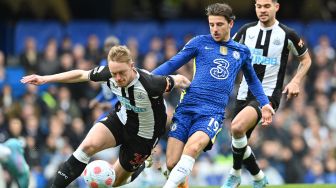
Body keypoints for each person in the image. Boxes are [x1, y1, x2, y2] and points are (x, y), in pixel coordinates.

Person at [21, 45, 191, 188]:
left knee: (114, 182)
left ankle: (144, 163)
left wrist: (197, 95)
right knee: (86, 147)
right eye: (113, 73)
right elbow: (81, 74)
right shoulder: (108, 74)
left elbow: (180, 80)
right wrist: (45, 79)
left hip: (144, 136)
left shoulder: (151, 84)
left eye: (121, 73)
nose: (117, 78)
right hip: (121, 119)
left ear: (132, 66)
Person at [151, 3, 275, 188]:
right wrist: (147, 79)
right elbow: (172, 64)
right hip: (186, 108)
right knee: (171, 164)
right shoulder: (199, 43)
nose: (215, 29)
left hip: (211, 113)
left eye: (219, 24)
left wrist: (265, 103)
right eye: (211, 25)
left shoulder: (241, 51)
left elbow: (253, 81)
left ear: (231, 24)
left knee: (192, 149)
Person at [222, 0, 312, 187]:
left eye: (266, 6)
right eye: (259, 6)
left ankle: (235, 174)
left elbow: (306, 60)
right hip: (243, 93)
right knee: (239, 142)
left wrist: (295, 80)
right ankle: (258, 178)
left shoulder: (287, 34)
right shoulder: (246, 30)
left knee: (237, 128)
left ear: (276, 7)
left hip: (268, 96)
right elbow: (228, 53)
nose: (262, 10)